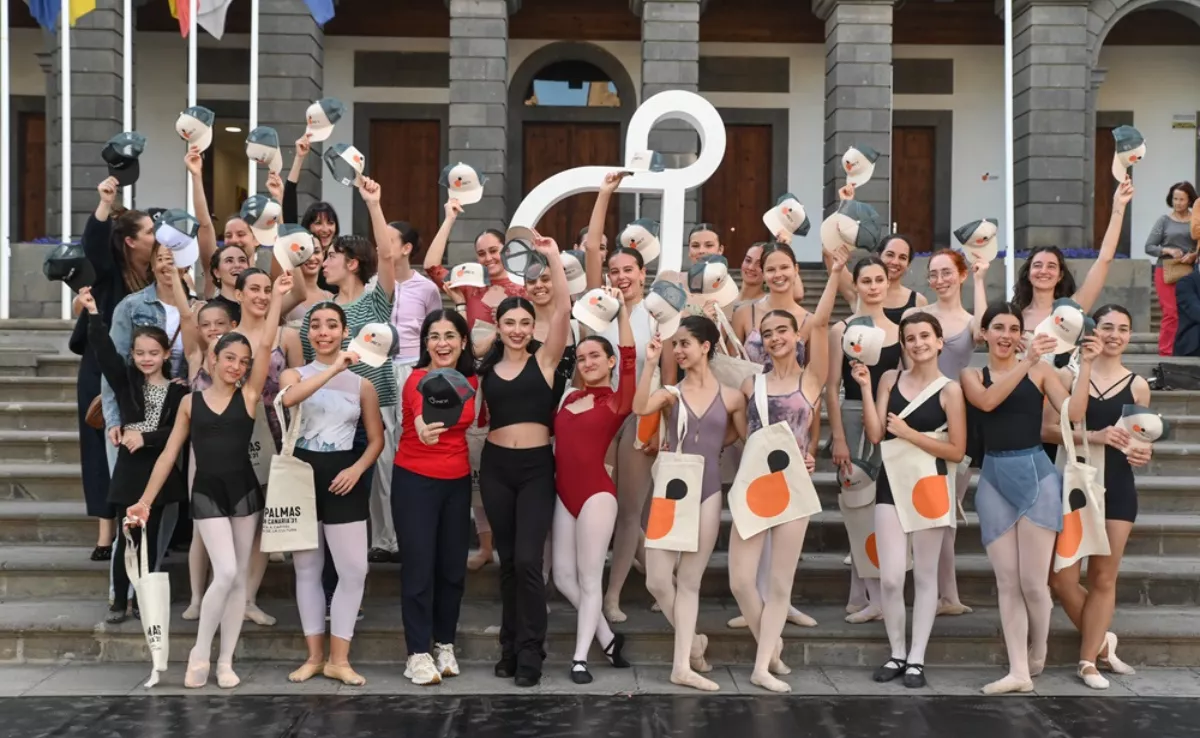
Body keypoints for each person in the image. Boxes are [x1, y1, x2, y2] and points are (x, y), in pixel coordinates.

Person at [126, 273, 291, 689]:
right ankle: (201, 651)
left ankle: (225, 661)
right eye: (229, 358)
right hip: (207, 494)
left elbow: (267, 344)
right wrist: (145, 501)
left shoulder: (250, 397)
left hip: (243, 492)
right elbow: (167, 455)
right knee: (229, 571)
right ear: (212, 359)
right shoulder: (189, 402)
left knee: (235, 582)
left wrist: (279, 298)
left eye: (243, 361)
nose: (236, 366)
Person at [960, 302, 1097, 695]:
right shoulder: (971, 374)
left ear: (1022, 334)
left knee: (1034, 583)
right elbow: (987, 402)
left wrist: (1085, 364)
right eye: (998, 327)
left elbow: (1074, 413)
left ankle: (1040, 645)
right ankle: (1019, 671)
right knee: (1007, 582)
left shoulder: (1040, 371)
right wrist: (1027, 361)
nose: (1006, 335)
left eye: (1014, 328)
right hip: (993, 481)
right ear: (984, 333)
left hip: (1036, 477)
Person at [726, 245, 842, 632]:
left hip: (792, 418)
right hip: (756, 417)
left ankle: (777, 609)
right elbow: (729, 367)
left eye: (784, 268)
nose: (776, 274)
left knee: (783, 549)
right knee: (754, 538)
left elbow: (812, 392)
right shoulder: (745, 314)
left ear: (795, 270)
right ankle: (757, 608)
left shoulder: (807, 326)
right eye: (769, 268)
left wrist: (809, 446)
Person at [634, 316, 748, 692]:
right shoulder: (671, 393)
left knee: (690, 580)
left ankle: (682, 664)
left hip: (709, 490)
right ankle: (694, 641)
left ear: (706, 346)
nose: (678, 350)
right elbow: (639, 408)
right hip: (671, 490)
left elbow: (741, 435)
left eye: (685, 343)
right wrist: (651, 361)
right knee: (656, 579)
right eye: (675, 344)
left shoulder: (733, 396)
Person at [476, 236, 571, 688]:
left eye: (523, 322)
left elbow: (566, 312)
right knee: (509, 562)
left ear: (533, 327)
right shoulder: (485, 371)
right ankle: (510, 648)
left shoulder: (547, 361)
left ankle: (532, 650)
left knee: (530, 561)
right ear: (497, 327)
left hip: (536, 469)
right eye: (508, 322)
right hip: (496, 469)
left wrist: (551, 256)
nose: (516, 329)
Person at [855, 313, 967, 689]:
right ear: (902, 344)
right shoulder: (890, 378)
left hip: (930, 485)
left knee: (924, 576)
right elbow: (874, 434)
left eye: (925, 336)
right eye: (910, 338)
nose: (917, 343)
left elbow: (956, 450)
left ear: (939, 342)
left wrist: (909, 433)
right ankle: (896, 651)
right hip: (891, 481)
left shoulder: (950, 390)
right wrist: (867, 388)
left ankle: (916, 657)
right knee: (889, 577)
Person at [1044, 304, 1149, 689]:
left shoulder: (1138, 385)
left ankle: (1088, 661)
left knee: (1104, 577)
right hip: (1074, 485)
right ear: (1093, 331)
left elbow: (1138, 439)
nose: (1115, 335)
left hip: (1118, 486)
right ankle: (1104, 641)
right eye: (1108, 327)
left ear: (1130, 336)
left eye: (1123, 329)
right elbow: (1047, 430)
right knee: (1062, 580)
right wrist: (1097, 436)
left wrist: (1141, 450)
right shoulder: (1064, 375)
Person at [729, 305, 831, 693]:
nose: (775, 338)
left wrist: (837, 270)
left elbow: (820, 322)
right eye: (767, 333)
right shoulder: (749, 384)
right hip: (754, 485)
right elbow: (743, 434)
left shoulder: (812, 379)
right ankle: (771, 647)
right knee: (741, 581)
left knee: (778, 585)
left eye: (782, 330)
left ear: (796, 336)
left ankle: (761, 666)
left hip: (792, 487)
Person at [280, 302, 382, 687]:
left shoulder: (363, 384)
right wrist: (335, 368)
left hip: (344, 475)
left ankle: (340, 659)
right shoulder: (295, 373)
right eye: (317, 326)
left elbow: (376, 439)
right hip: (301, 474)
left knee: (353, 569)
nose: (324, 332)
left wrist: (357, 469)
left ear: (344, 332)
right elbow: (288, 400)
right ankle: (314, 657)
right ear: (308, 333)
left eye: (332, 326)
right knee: (307, 568)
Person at [299, 179, 399, 563]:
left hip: (378, 406)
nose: (324, 262)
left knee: (381, 485)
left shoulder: (376, 301)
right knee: (341, 494)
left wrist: (373, 203)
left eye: (332, 257)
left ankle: (383, 546)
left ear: (352, 263)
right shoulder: (318, 314)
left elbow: (387, 260)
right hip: (333, 415)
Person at [79, 287, 187, 624]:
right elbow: (105, 353)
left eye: (153, 353)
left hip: (159, 469)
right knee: (126, 536)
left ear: (167, 354)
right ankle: (118, 601)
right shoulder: (127, 382)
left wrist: (146, 437)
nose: (146, 359)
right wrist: (94, 313)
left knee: (152, 540)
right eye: (140, 353)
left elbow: (178, 433)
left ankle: (143, 598)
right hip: (129, 468)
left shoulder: (179, 390)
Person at [581, 173, 661, 625]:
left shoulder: (657, 313)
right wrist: (605, 193)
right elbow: (593, 247)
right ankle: (599, 585)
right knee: (598, 504)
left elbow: (665, 378)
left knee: (631, 509)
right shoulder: (598, 305)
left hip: (635, 420)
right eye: (614, 271)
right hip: (596, 417)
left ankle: (612, 596)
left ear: (642, 273)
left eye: (628, 270)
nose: (619, 277)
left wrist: (657, 428)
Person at [552, 286, 635, 685]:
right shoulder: (567, 399)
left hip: (597, 496)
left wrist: (620, 314)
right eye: (582, 357)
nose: (587, 362)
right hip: (563, 494)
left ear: (610, 360)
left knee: (588, 579)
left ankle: (581, 658)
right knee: (563, 577)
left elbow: (632, 362)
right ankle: (608, 638)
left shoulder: (617, 401)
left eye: (595, 356)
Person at [393, 309, 478, 686]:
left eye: (449, 335)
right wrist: (423, 430)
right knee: (419, 568)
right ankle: (417, 653)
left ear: (462, 341)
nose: (441, 343)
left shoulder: (472, 380)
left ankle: (444, 643)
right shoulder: (416, 379)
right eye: (433, 336)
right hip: (415, 481)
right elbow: (417, 414)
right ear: (425, 343)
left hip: (457, 482)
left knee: (451, 569)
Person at [902, 249, 988, 617]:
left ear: (961, 275)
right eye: (933, 274)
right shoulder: (917, 318)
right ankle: (928, 589)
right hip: (918, 418)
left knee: (947, 510)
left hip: (957, 423)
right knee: (922, 508)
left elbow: (984, 328)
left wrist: (982, 280)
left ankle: (947, 594)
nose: (939, 279)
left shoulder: (970, 320)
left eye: (946, 272)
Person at [74, 177, 153, 561]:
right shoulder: (109, 275)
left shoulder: (154, 277)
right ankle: (105, 535)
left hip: (142, 375)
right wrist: (105, 203)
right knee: (100, 446)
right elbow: (93, 248)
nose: (157, 237)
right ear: (130, 241)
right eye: (150, 232)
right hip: (100, 370)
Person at [827, 256, 903, 622]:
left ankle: (869, 592)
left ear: (888, 284)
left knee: (882, 511)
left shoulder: (901, 330)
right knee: (856, 509)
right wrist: (838, 436)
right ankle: (867, 594)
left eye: (879, 279)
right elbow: (831, 387)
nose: (873, 286)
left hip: (889, 421)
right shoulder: (840, 330)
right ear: (855, 285)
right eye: (866, 280)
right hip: (854, 418)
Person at [1145, 182, 1198, 356]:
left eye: (1182, 199)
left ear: (1189, 200)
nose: (1178, 203)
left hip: (1189, 272)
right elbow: (1149, 246)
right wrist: (1167, 250)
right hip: (1165, 271)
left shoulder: (1196, 221)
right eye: (1175, 199)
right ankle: (1166, 352)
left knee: (1188, 313)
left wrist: (1193, 255)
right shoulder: (1164, 221)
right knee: (1171, 313)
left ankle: (1183, 350)